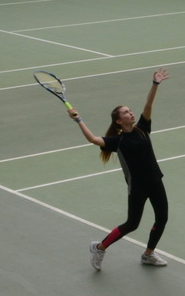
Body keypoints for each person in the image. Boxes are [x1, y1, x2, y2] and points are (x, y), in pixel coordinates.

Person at [71, 69, 173, 269]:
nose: (131, 113)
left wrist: (155, 84)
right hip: (138, 187)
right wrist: (78, 120)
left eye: (130, 110)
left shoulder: (143, 128)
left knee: (162, 219)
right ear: (118, 121)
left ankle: (148, 254)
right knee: (132, 224)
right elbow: (93, 139)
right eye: (126, 112)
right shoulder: (117, 141)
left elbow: (148, 105)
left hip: (155, 181)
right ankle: (99, 248)